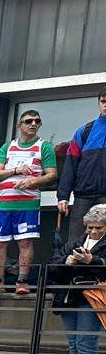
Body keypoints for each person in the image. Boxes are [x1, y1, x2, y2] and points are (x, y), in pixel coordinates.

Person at [0, 109, 57, 293]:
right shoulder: (7, 146)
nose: (33, 124)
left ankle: (22, 282)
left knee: (25, 242)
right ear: (19, 125)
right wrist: (16, 170)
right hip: (3, 202)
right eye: (28, 121)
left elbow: (52, 175)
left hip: (28, 203)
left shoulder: (44, 146)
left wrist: (33, 182)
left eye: (37, 121)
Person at [48, 202, 106, 354]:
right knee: (73, 341)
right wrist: (67, 261)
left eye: (99, 228)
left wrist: (93, 261)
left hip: (91, 297)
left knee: (86, 341)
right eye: (90, 227)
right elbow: (52, 263)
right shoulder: (76, 241)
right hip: (68, 297)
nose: (93, 231)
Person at [57, 88, 106, 244]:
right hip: (83, 196)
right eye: (104, 101)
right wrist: (63, 196)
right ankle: (74, 269)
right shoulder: (84, 131)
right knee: (76, 241)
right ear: (99, 103)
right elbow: (70, 165)